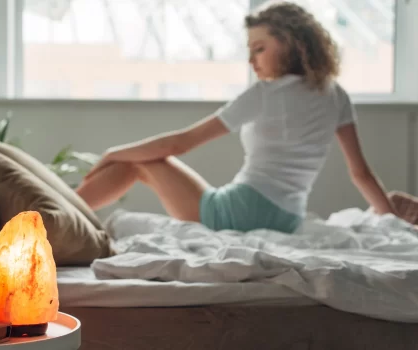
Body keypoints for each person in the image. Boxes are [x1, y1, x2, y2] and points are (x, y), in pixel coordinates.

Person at [75, 2, 397, 234]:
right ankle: (58, 214)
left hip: (242, 213)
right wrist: (394, 223)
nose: (251, 60)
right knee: (142, 162)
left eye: (259, 48)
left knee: (138, 162)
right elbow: (362, 174)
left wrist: (111, 153)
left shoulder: (265, 94)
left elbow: (180, 143)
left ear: (291, 43)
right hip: (288, 219)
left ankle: (56, 217)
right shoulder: (335, 93)